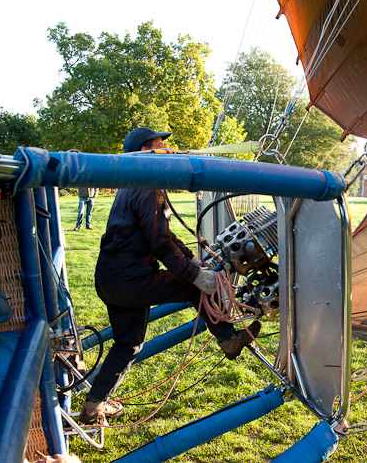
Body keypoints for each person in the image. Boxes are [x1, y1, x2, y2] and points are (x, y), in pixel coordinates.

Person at [79, 127, 261, 424]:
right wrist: (196, 276)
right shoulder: (147, 187)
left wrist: (191, 258)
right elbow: (160, 243)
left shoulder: (132, 184)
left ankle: (93, 405)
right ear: (144, 152)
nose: (167, 151)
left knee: (128, 345)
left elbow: (164, 233)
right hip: (131, 280)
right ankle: (228, 339)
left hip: (110, 279)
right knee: (193, 289)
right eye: (159, 145)